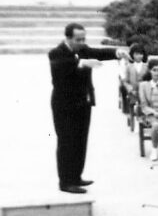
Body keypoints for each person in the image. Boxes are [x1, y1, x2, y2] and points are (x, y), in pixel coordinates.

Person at [48, 22, 128, 193]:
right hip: (65, 106)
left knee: (80, 141)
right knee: (67, 143)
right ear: (68, 38)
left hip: (83, 104)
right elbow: (61, 71)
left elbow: (97, 53)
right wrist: (81, 64)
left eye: (84, 39)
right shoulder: (56, 53)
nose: (82, 42)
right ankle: (66, 182)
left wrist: (116, 53)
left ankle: (76, 176)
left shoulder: (83, 50)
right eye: (78, 39)